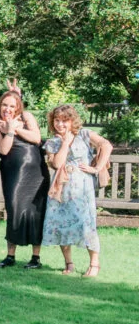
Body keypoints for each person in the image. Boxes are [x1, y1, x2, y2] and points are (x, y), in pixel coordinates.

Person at [42, 105, 110, 277]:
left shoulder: (85, 134)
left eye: (65, 120)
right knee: (61, 223)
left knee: (86, 223)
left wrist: (97, 167)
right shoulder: (52, 142)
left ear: (72, 121)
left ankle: (94, 264)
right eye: (57, 120)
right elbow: (57, 164)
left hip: (82, 187)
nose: (60, 124)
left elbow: (106, 145)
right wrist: (65, 142)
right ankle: (69, 263)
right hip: (61, 188)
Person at [0, 89, 48, 268]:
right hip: (13, 172)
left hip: (37, 172)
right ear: (0, 106)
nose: (8, 109)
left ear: (18, 107)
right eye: (4, 105)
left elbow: (36, 138)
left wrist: (16, 127)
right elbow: (3, 149)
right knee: (14, 208)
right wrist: (10, 132)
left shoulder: (26, 117)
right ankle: (10, 255)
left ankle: (35, 257)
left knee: (36, 211)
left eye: (12, 106)